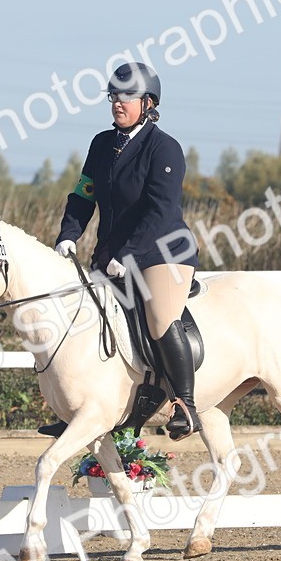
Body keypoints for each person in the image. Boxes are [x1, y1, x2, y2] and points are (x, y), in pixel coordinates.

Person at [52, 62, 201, 440]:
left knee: (158, 318)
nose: (117, 103)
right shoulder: (102, 144)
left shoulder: (164, 148)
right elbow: (83, 194)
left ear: (148, 103)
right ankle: (79, 406)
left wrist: (129, 254)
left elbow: (159, 212)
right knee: (83, 317)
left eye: (126, 97)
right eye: (113, 96)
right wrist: (68, 234)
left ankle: (185, 404)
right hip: (111, 255)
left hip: (163, 253)